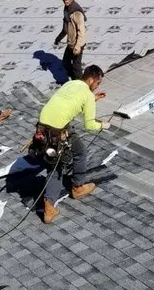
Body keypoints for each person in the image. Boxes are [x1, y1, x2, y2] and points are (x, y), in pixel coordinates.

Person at [32, 65, 111, 224]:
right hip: (56, 131)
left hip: (43, 126)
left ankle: (75, 187)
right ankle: (54, 204)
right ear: (90, 79)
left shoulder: (71, 84)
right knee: (58, 166)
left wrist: (92, 99)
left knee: (75, 151)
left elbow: (67, 102)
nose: (97, 87)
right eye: (97, 83)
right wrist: (103, 125)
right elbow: (89, 125)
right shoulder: (87, 95)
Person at [53, 0, 86, 80]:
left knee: (76, 66)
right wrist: (58, 39)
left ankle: (80, 85)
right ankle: (75, 79)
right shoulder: (67, 10)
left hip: (77, 44)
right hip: (70, 43)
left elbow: (81, 31)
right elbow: (65, 29)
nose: (65, 1)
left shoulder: (77, 12)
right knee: (66, 63)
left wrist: (78, 46)